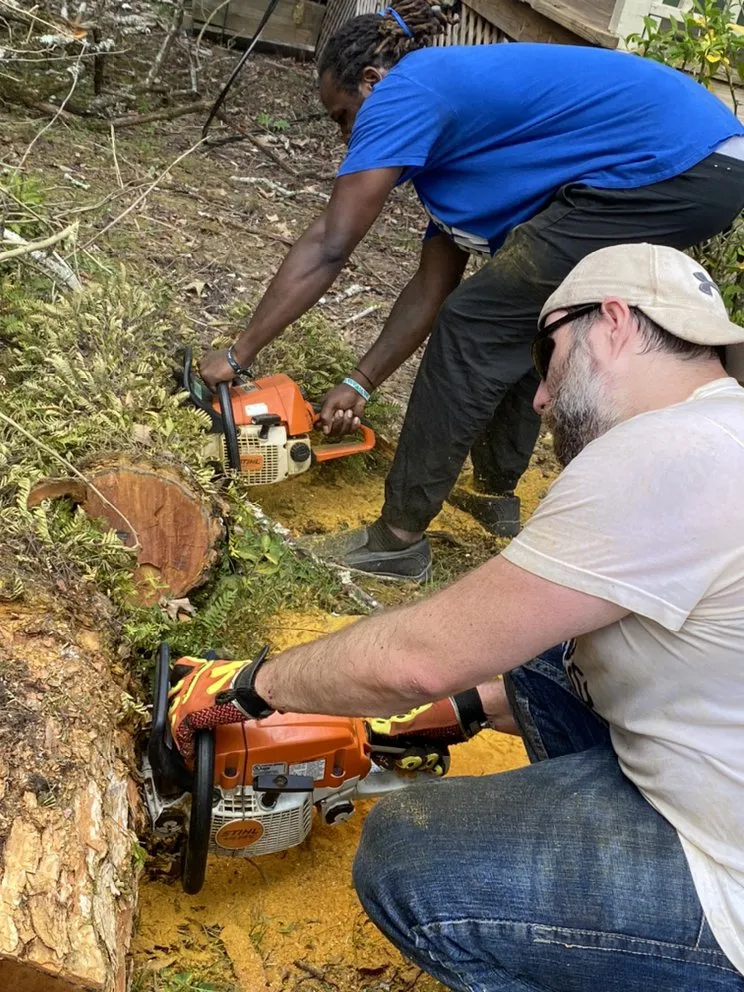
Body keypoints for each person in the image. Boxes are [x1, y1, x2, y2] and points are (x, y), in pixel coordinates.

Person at [173, 243, 744, 989]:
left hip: (728, 875)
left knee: (413, 858)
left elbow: (416, 659)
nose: (539, 397)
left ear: (612, 322)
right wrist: (458, 710)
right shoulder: (716, 431)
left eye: (548, 352)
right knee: (549, 643)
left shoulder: (668, 451)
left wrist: (250, 686)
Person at [198, 0, 744, 582]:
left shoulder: (410, 89)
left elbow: (331, 243)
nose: (345, 136)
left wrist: (238, 354)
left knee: (474, 322)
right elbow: (428, 289)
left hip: (675, 166)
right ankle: (494, 493)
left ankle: (398, 539)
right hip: (702, 166)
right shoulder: (462, 157)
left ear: (370, 81)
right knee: (534, 313)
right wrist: (360, 381)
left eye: (342, 117)